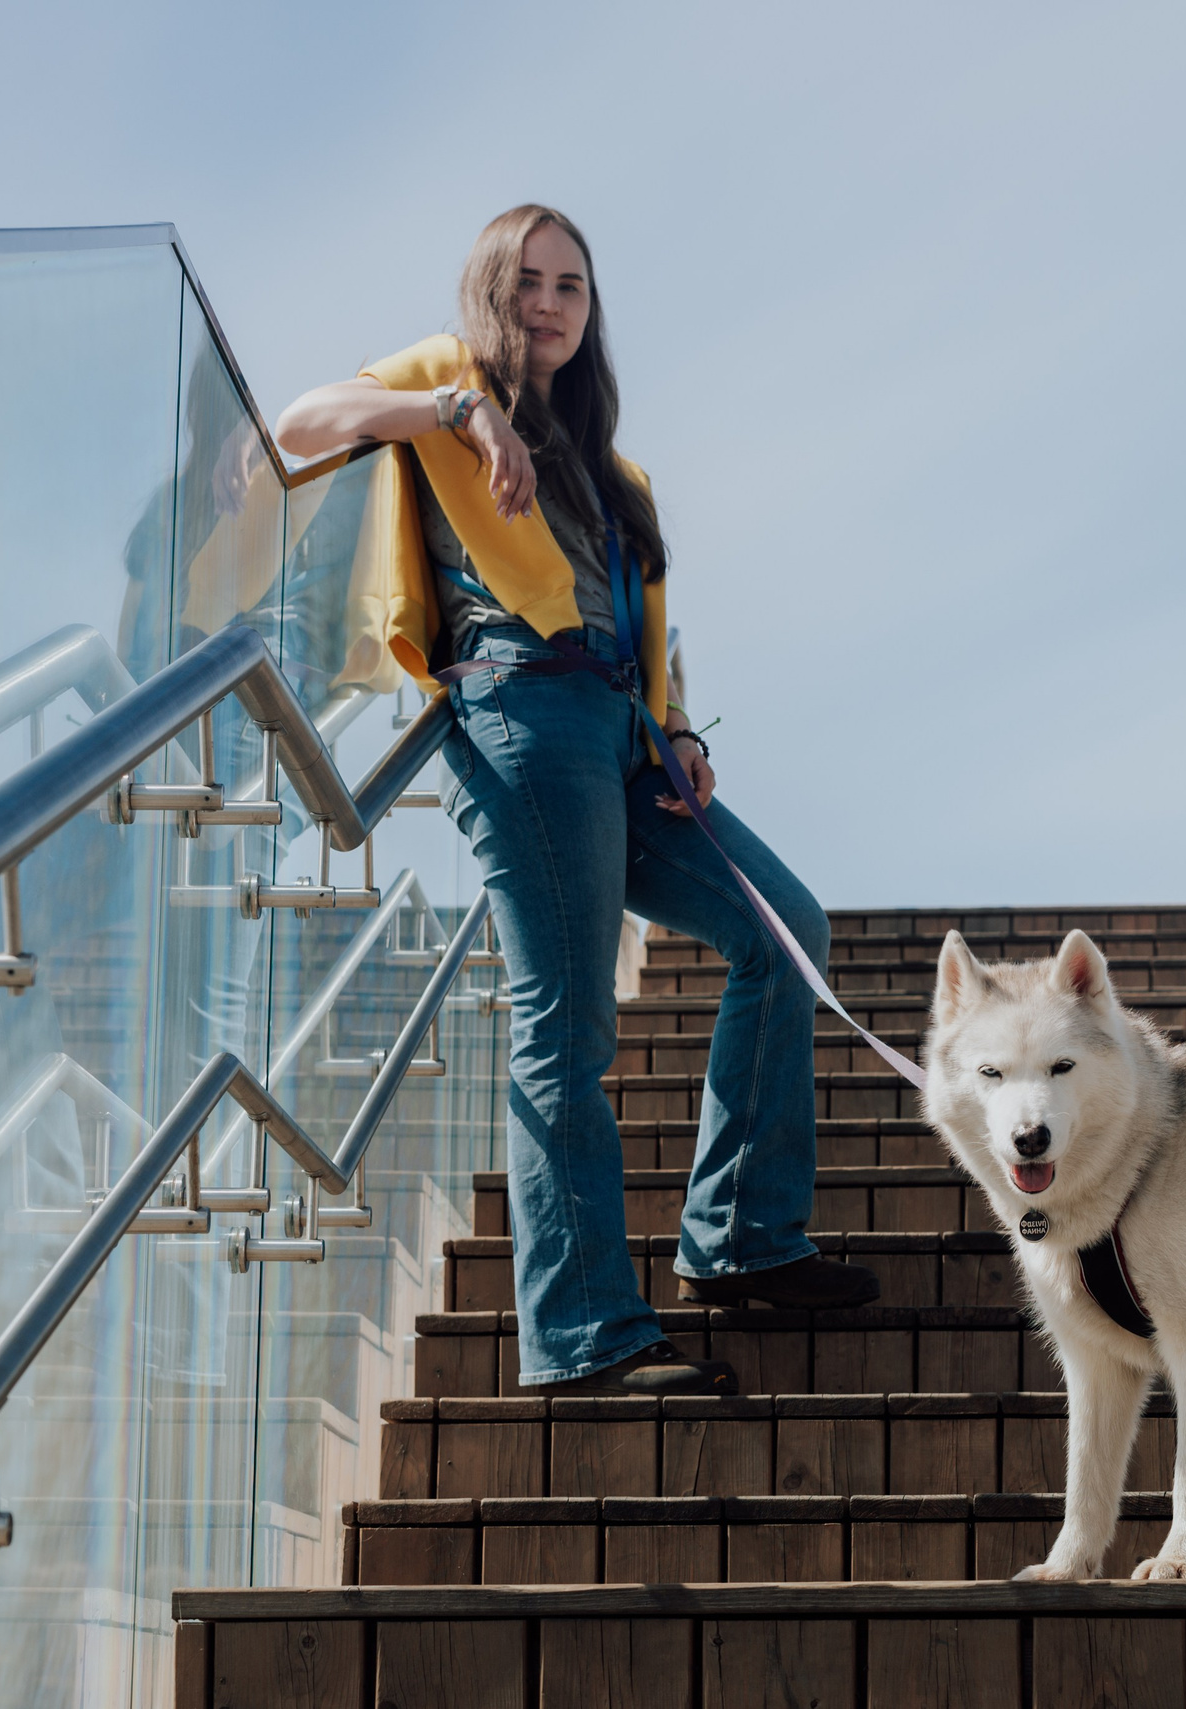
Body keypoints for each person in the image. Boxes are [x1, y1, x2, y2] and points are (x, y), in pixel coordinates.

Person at [275, 204, 876, 1396]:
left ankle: (740, 1239)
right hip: (517, 715)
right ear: (489, 293)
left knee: (783, 930)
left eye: (572, 286)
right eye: (528, 281)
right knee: (569, 1020)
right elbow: (300, 426)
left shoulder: (616, 472)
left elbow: (640, 624)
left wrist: (679, 727)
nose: (550, 303)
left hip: (623, 735)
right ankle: (583, 1330)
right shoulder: (446, 384)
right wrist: (451, 409)